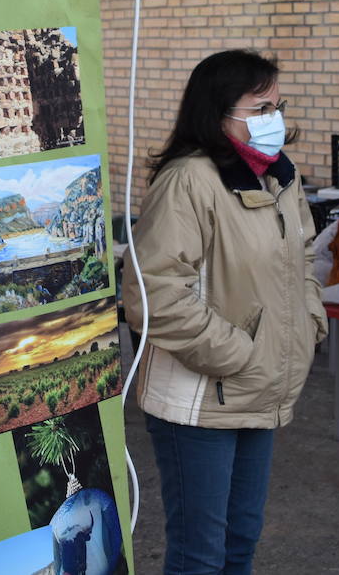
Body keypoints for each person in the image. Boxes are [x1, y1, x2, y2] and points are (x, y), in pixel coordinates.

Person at [122, 49, 327, 575]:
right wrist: (242, 353)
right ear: (218, 113)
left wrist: (307, 323)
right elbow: (153, 294)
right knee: (200, 554)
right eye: (260, 107)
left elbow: (302, 256)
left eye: (277, 105)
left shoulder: (279, 176)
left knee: (241, 543)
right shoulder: (188, 180)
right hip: (199, 399)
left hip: (260, 389)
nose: (273, 119)